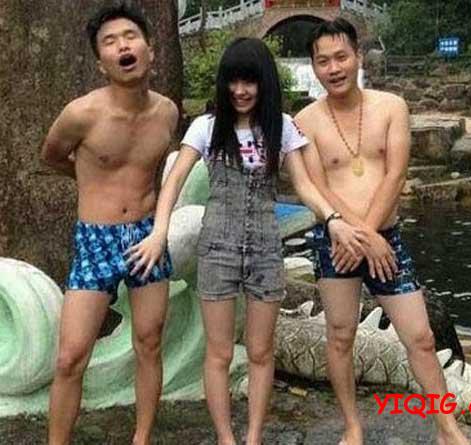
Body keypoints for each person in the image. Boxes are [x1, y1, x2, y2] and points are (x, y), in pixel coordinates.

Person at [126, 37, 366, 445]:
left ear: (264, 83)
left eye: (249, 82)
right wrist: (159, 232)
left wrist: (332, 219)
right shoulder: (206, 127)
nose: (240, 90)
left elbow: (304, 185)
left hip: (266, 250)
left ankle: (253, 436)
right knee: (219, 352)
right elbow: (174, 181)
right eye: (233, 81)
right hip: (216, 248)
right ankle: (225, 438)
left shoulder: (282, 127)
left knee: (260, 351)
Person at [294, 18, 470, 445]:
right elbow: (316, 187)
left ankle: (447, 428)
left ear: (357, 56)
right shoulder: (304, 121)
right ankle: (352, 426)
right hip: (335, 241)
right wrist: (355, 237)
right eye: (323, 61)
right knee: (340, 336)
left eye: (341, 57)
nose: (333, 68)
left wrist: (371, 236)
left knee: (421, 337)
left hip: (384, 240)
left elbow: (395, 175)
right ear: (314, 66)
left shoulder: (392, 107)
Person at [41, 2, 178, 444]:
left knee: (149, 342)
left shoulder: (167, 113)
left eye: (130, 37)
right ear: (101, 63)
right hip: (95, 239)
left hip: (146, 235)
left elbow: (159, 171)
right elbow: (51, 156)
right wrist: (88, 181)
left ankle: (142, 438)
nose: (123, 46)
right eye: (110, 41)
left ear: (150, 50)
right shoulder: (81, 114)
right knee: (70, 356)